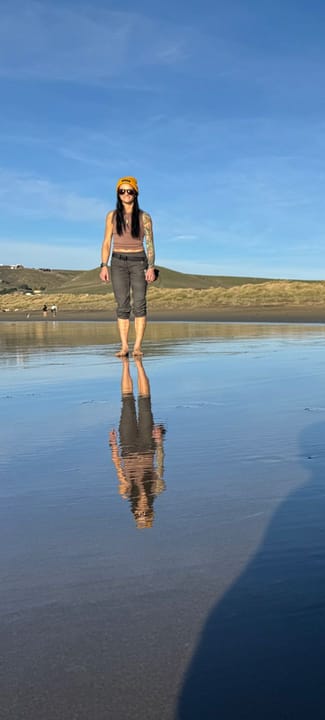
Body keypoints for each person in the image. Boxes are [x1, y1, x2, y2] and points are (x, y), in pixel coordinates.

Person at [99, 176, 157, 357]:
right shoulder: (111, 216)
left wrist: (151, 266)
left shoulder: (144, 217)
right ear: (118, 193)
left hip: (139, 261)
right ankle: (124, 346)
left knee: (139, 304)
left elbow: (150, 244)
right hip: (117, 262)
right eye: (122, 191)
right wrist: (104, 265)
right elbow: (106, 242)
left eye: (129, 191)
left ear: (135, 193)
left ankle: (137, 347)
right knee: (122, 305)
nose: (126, 194)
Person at [109, 356, 166, 529]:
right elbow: (160, 465)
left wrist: (113, 446)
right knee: (144, 403)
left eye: (140, 514)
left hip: (127, 448)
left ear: (134, 512)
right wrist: (159, 442)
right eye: (146, 514)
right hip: (147, 447)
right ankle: (139, 364)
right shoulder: (157, 489)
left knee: (127, 403)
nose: (142, 511)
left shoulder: (126, 491)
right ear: (151, 511)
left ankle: (125, 365)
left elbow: (118, 468)